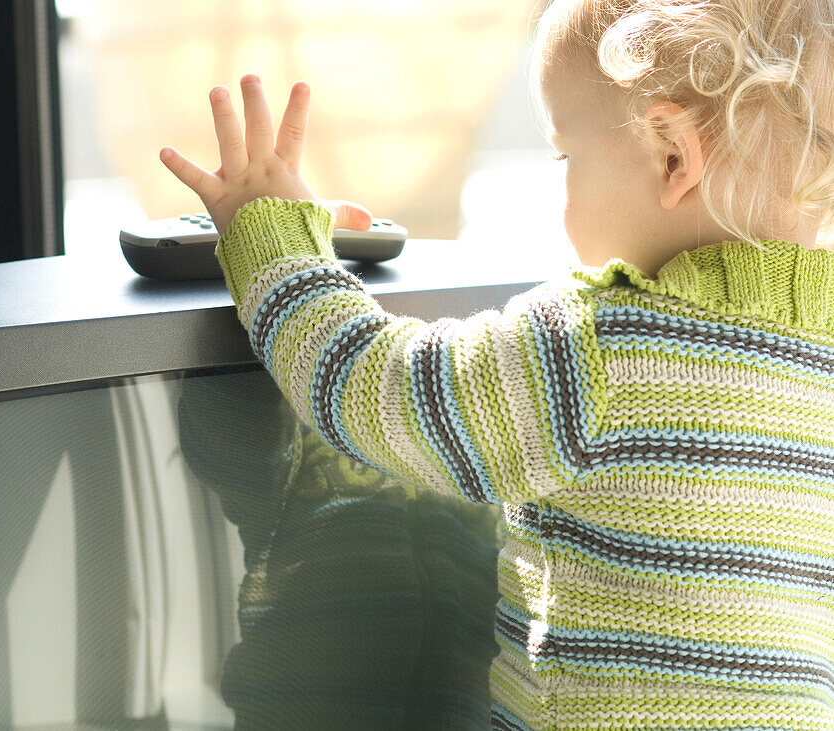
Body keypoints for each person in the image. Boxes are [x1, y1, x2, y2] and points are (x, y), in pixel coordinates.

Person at [159, 0, 834, 727]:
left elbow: (378, 385)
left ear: (672, 155)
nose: (561, 190)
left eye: (566, 156)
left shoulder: (596, 349)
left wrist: (275, 239)